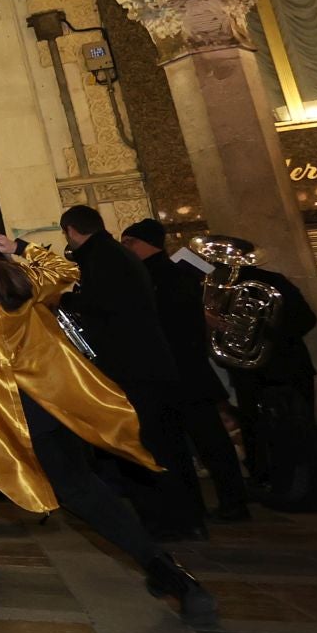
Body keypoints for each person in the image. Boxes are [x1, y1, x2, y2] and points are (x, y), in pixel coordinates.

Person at [0, 197, 216, 626]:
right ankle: (165, 570)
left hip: (9, 411)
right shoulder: (9, 272)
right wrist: (21, 248)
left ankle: (169, 573)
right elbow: (67, 272)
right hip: (50, 401)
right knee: (82, 489)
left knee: (82, 493)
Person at [59, 205, 205, 540]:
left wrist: (66, 303)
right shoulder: (116, 254)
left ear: (71, 231)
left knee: (144, 446)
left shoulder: (102, 258)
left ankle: (164, 521)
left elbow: (105, 304)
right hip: (150, 364)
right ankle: (187, 518)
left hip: (132, 367)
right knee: (167, 445)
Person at [121, 219, 252, 521]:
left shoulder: (151, 275)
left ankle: (210, 504)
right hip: (192, 369)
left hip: (174, 371)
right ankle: (233, 501)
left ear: (135, 243)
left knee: (193, 442)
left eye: (127, 243)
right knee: (211, 440)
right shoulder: (179, 272)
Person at [197, 235, 317, 510]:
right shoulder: (214, 291)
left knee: (296, 431)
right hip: (248, 372)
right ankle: (269, 482)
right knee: (255, 429)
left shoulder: (272, 283)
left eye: (217, 259)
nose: (214, 263)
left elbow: (305, 319)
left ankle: (299, 487)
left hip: (284, 370)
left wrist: (258, 331)